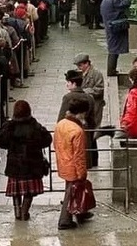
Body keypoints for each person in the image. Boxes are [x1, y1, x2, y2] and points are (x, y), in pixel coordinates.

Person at [0, 100, 52, 221]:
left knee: (16, 191)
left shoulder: (10, 126)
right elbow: (47, 139)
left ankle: (17, 211)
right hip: (32, 164)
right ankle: (24, 212)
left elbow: (1, 141)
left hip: (15, 164)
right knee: (29, 192)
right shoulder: (34, 125)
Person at [54, 97, 89, 231]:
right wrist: (82, 173)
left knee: (70, 190)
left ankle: (81, 213)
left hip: (63, 162)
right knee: (70, 193)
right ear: (81, 113)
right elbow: (79, 155)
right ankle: (64, 220)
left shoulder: (61, 124)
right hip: (73, 166)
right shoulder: (77, 131)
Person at [100, 0, 131, 76]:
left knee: (113, 49)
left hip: (109, 27)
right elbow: (126, 3)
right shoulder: (114, 0)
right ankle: (111, 71)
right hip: (114, 28)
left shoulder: (105, 0)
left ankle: (112, 70)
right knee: (114, 50)